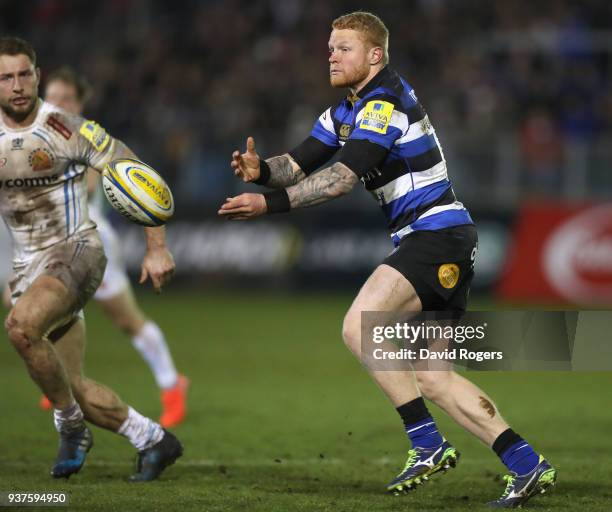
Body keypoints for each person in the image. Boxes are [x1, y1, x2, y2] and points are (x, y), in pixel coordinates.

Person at [219, 11, 556, 508]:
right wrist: (261, 172)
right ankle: (527, 464)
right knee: (434, 376)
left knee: (362, 326)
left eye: (344, 48)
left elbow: (342, 178)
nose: (331, 54)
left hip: (436, 234)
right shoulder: (346, 111)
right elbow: (298, 163)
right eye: (330, 47)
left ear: (375, 55)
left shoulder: (384, 100)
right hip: (444, 239)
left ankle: (426, 443)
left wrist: (268, 204)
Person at [0, 36, 182, 481]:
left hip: (77, 251)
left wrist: (156, 247)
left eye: (25, 74)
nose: (18, 84)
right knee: (70, 384)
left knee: (21, 327)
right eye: (6, 77)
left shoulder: (64, 128)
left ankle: (70, 429)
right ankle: (154, 440)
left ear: (38, 76)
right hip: (27, 266)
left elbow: (129, 165)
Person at [27, 67, 187, 429]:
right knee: (33, 312)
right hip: (49, 244)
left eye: (67, 98)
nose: (58, 103)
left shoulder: (86, 138)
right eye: (52, 96)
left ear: (80, 104)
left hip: (92, 242)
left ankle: (172, 385)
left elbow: (88, 186)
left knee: (128, 321)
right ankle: (60, 379)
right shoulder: (30, 136)